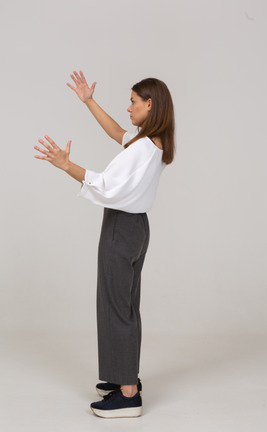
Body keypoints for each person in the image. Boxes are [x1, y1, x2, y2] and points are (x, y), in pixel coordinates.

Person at [34, 70, 175, 418]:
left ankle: (128, 395)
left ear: (149, 104)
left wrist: (67, 166)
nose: (128, 108)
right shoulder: (153, 141)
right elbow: (117, 132)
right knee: (125, 305)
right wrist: (88, 101)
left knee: (115, 307)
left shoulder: (142, 148)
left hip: (121, 227)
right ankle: (126, 378)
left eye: (132, 102)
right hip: (137, 228)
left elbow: (106, 184)